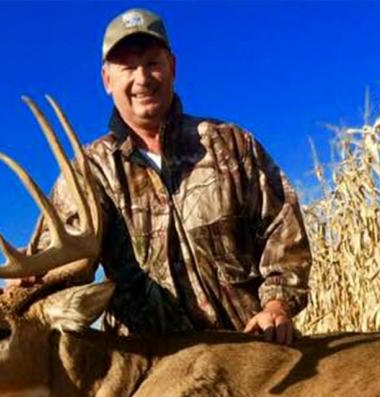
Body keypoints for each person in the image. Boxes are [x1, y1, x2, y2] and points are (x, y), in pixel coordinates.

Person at [28, 8, 311, 345]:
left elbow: (282, 229)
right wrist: (33, 277)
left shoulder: (230, 144)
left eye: (152, 63)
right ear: (107, 80)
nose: (142, 78)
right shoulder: (89, 173)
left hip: (251, 354)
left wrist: (277, 306)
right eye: (128, 67)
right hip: (152, 372)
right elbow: (67, 264)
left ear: (172, 68)